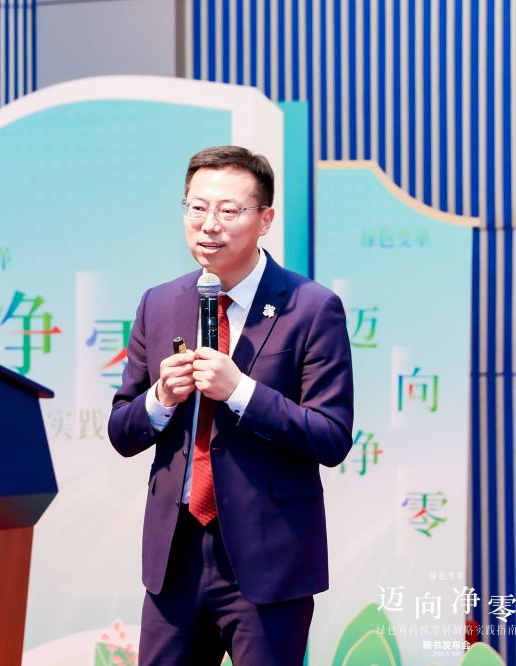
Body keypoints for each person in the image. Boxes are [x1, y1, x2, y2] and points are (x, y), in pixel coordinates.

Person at [108, 145, 354, 664]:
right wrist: (160, 398)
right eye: (197, 208)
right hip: (175, 556)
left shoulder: (311, 308)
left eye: (228, 210)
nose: (209, 225)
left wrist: (241, 391)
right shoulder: (159, 302)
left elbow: (331, 436)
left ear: (265, 219)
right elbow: (122, 430)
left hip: (268, 559)